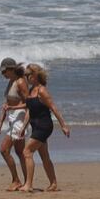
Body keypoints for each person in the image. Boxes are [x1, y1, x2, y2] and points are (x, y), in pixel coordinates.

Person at [20, 63, 71, 192]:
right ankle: (53, 184)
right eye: (25, 75)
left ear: (35, 75)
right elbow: (29, 111)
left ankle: (28, 185)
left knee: (27, 151)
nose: (26, 77)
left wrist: (63, 126)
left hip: (44, 126)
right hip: (35, 126)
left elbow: (53, 108)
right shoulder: (31, 91)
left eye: (28, 75)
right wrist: (23, 127)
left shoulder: (42, 90)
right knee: (44, 156)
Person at [0, 58, 31, 192]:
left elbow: (29, 104)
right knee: (20, 152)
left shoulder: (21, 82)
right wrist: (0, 121)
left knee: (4, 150)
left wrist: (24, 125)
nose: (2, 74)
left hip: (20, 120)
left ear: (11, 69)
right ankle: (26, 182)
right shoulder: (10, 82)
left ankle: (17, 181)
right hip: (12, 119)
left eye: (4, 71)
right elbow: (7, 104)